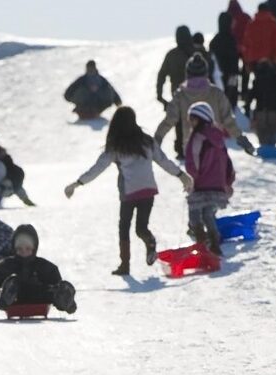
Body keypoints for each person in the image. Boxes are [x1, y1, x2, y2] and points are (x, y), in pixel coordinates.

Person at [65, 106, 194, 276]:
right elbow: (164, 161)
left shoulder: (115, 147)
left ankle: (124, 265)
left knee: (124, 227)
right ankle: (149, 241)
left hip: (129, 194)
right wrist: (181, 175)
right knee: (141, 228)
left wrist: (77, 183)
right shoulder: (147, 141)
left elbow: (97, 168)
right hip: (148, 191)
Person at [155, 54, 255, 156]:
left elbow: (169, 120)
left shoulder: (181, 95)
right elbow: (228, 120)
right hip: (214, 147)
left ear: (187, 73)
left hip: (191, 149)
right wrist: (242, 139)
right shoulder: (216, 93)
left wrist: (157, 140)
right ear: (206, 73)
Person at [0, 225, 77, 314]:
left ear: (34, 248)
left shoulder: (46, 267)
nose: (24, 252)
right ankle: (4, 297)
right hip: (13, 300)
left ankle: (66, 303)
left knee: (55, 291)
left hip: (40, 298)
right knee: (11, 284)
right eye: (19, 249)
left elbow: (56, 283)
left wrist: (63, 298)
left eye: (28, 248)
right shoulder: (3, 267)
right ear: (14, 248)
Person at [184, 102, 235, 256]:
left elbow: (192, 159)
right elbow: (227, 161)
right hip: (217, 186)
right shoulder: (218, 137)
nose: (191, 123)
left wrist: (192, 178)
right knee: (208, 214)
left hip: (201, 184)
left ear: (202, 119)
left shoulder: (197, 137)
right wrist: (228, 181)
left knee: (194, 215)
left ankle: (202, 245)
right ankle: (214, 243)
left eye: (194, 120)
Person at [157, 25, 199, 157]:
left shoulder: (172, 55)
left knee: (180, 122)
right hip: (197, 94)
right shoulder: (196, 53)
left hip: (177, 95)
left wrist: (159, 95)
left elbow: (161, 75)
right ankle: (195, 148)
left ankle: (181, 149)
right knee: (197, 121)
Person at [242, 2, 276, 115]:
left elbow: (246, 44)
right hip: (270, 59)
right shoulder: (273, 23)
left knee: (257, 84)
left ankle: (259, 108)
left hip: (255, 61)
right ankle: (271, 108)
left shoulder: (252, 24)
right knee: (271, 84)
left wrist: (247, 61)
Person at [248, 59, 276, 148]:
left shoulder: (257, 80)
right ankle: (271, 149)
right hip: (275, 111)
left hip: (260, 111)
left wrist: (247, 109)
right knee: (273, 134)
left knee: (262, 135)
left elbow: (250, 96)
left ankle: (264, 149)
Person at [210, 12, 242, 109]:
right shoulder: (231, 40)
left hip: (216, 83)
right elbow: (234, 67)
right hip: (230, 81)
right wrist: (232, 87)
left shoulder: (214, 41)